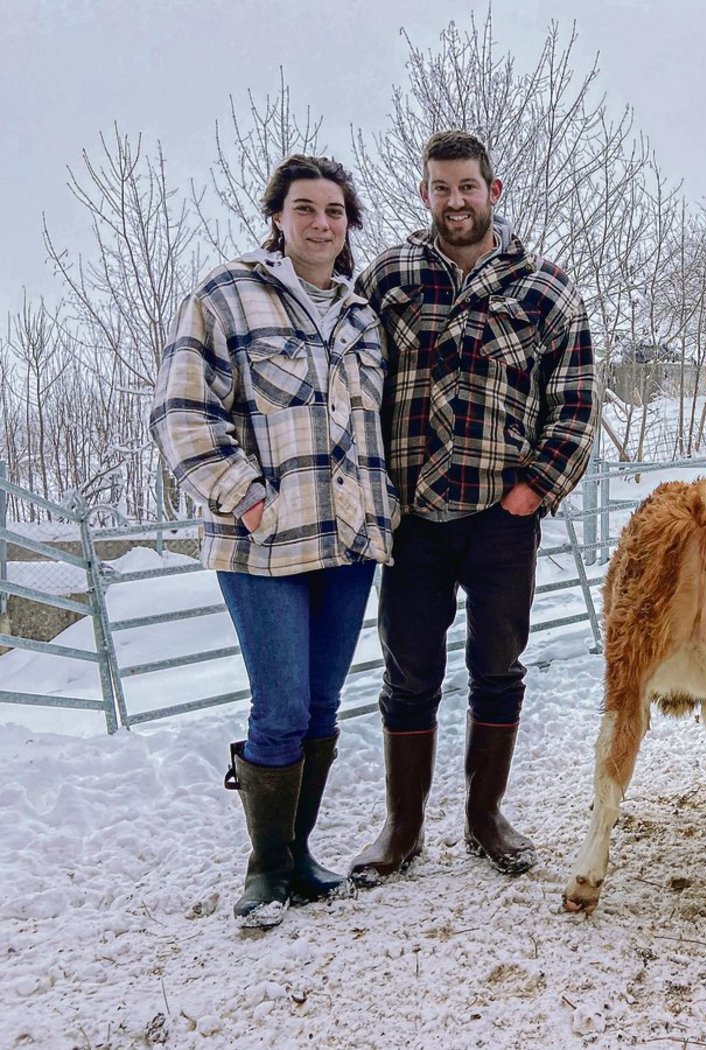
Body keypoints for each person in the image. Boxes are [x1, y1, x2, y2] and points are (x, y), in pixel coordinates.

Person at [149, 155, 398, 928]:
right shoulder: (225, 295)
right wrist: (249, 499)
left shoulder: (361, 316)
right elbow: (181, 415)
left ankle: (298, 856)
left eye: (335, 210)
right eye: (306, 208)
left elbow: (373, 425)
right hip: (263, 547)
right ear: (278, 218)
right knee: (281, 706)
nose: (322, 222)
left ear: (348, 223)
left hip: (349, 541)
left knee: (323, 705)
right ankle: (266, 867)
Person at [351, 130, 595, 882]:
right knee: (409, 671)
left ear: (494, 190)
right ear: (424, 195)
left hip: (501, 515)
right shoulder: (388, 279)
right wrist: (369, 492)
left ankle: (486, 817)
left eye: (468, 186)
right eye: (441, 188)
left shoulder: (544, 288)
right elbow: (353, 387)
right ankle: (403, 827)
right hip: (414, 517)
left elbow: (576, 402)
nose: (455, 201)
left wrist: (537, 488)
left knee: (499, 667)